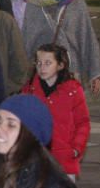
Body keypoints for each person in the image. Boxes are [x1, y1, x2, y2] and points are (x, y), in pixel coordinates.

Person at [22, 0, 100, 96]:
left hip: (70, 70)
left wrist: (95, 73)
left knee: (66, 114)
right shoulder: (35, 2)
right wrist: (23, 71)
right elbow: (27, 38)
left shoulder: (76, 2)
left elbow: (87, 37)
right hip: (42, 70)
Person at [21, 44, 90, 180]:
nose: (42, 67)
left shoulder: (73, 90)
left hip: (64, 160)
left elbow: (83, 123)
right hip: (35, 159)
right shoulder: (29, 90)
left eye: (48, 63)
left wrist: (76, 148)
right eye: (39, 63)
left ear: (60, 65)